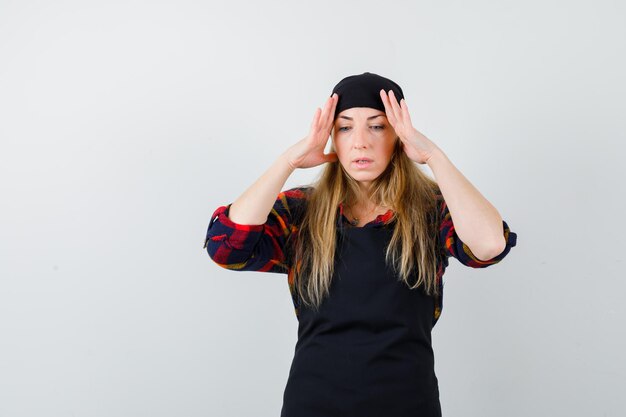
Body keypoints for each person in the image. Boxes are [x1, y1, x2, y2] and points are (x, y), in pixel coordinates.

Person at [203, 72, 517, 417]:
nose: (361, 141)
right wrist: (288, 162)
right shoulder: (301, 211)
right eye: (345, 127)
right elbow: (226, 248)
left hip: (408, 404)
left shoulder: (431, 209)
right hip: (313, 405)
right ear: (332, 138)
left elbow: (488, 246)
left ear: (399, 136)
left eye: (378, 126)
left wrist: (435, 157)